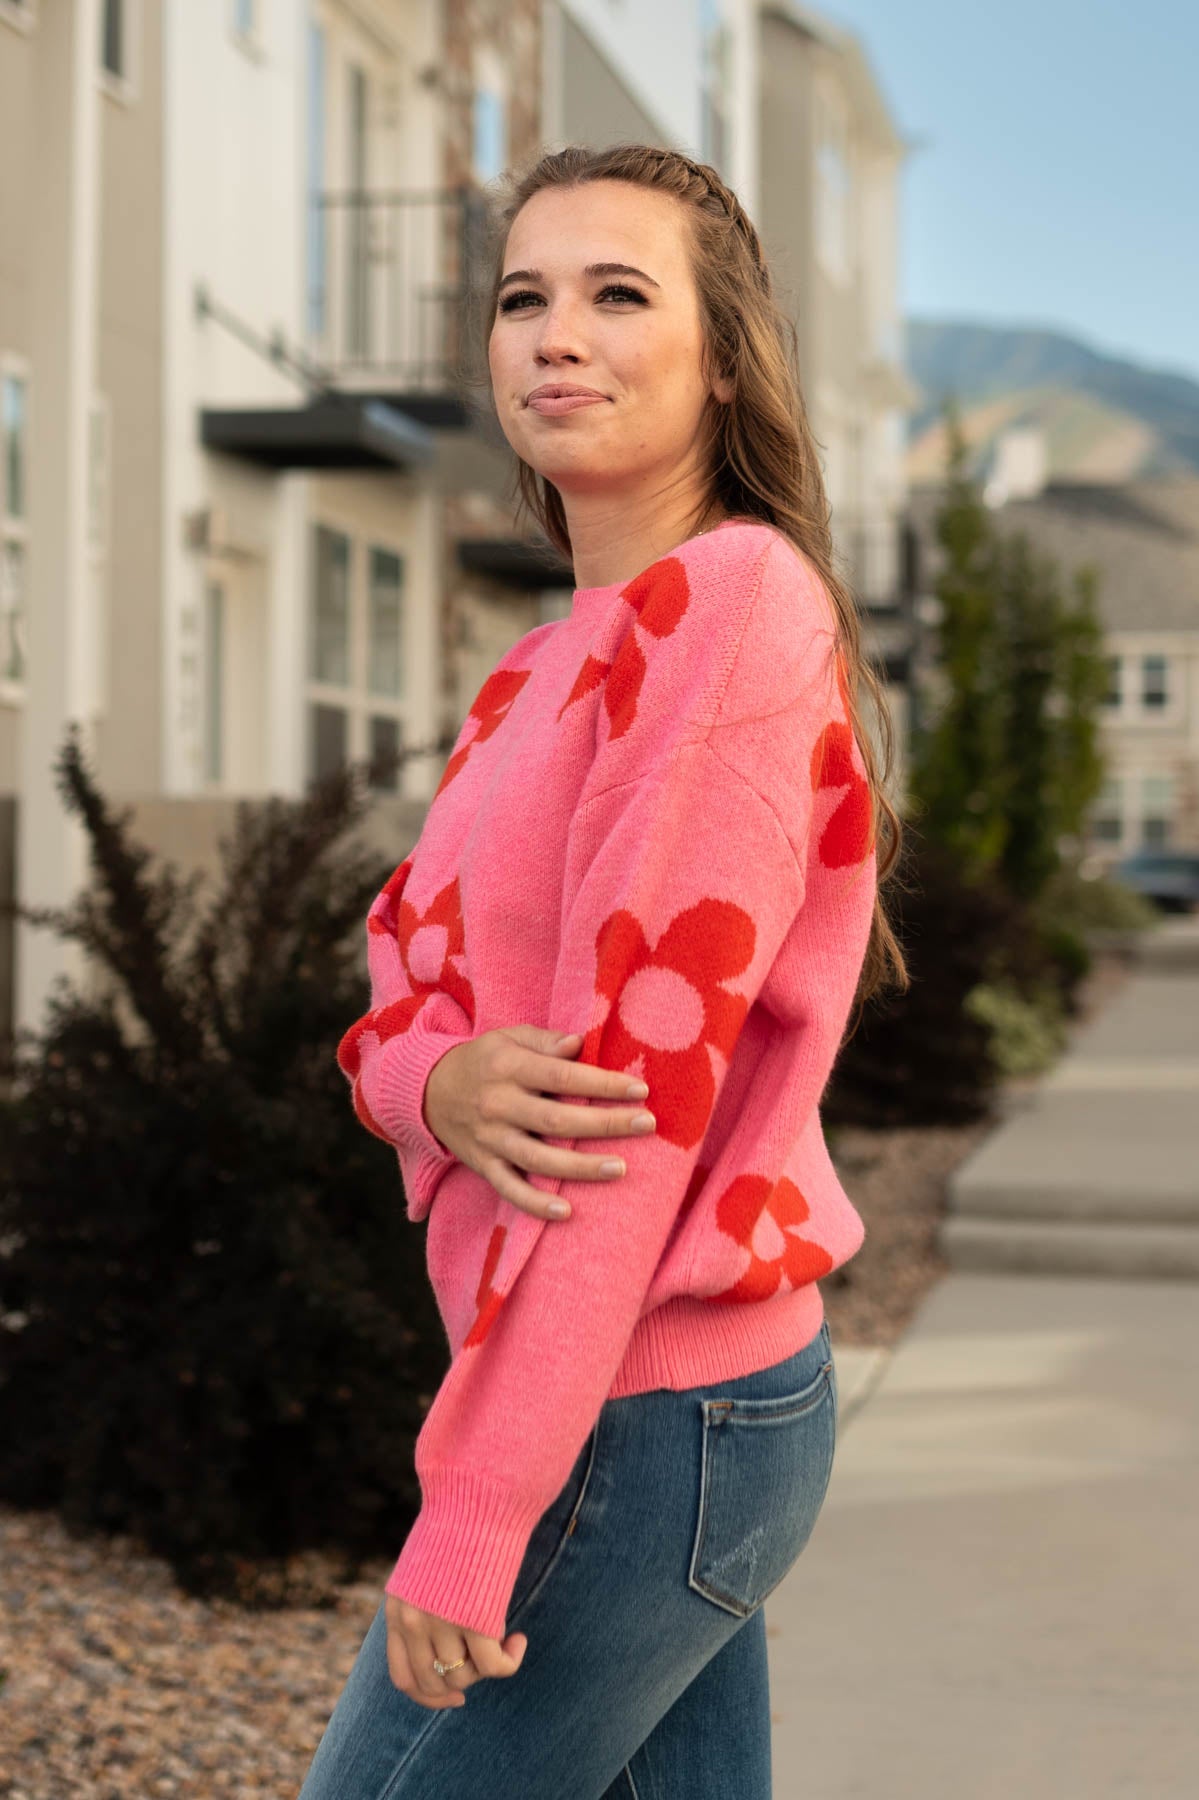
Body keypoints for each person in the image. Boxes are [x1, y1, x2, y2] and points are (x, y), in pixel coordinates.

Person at [299, 142, 908, 1799]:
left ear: (723, 359)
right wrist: (436, 1079)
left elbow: (621, 1110)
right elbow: (393, 1008)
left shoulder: (733, 611)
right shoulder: (531, 673)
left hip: (645, 1412)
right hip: (632, 1402)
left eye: (617, 293)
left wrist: (479, 1510)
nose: (555, 333)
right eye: (522, 298)